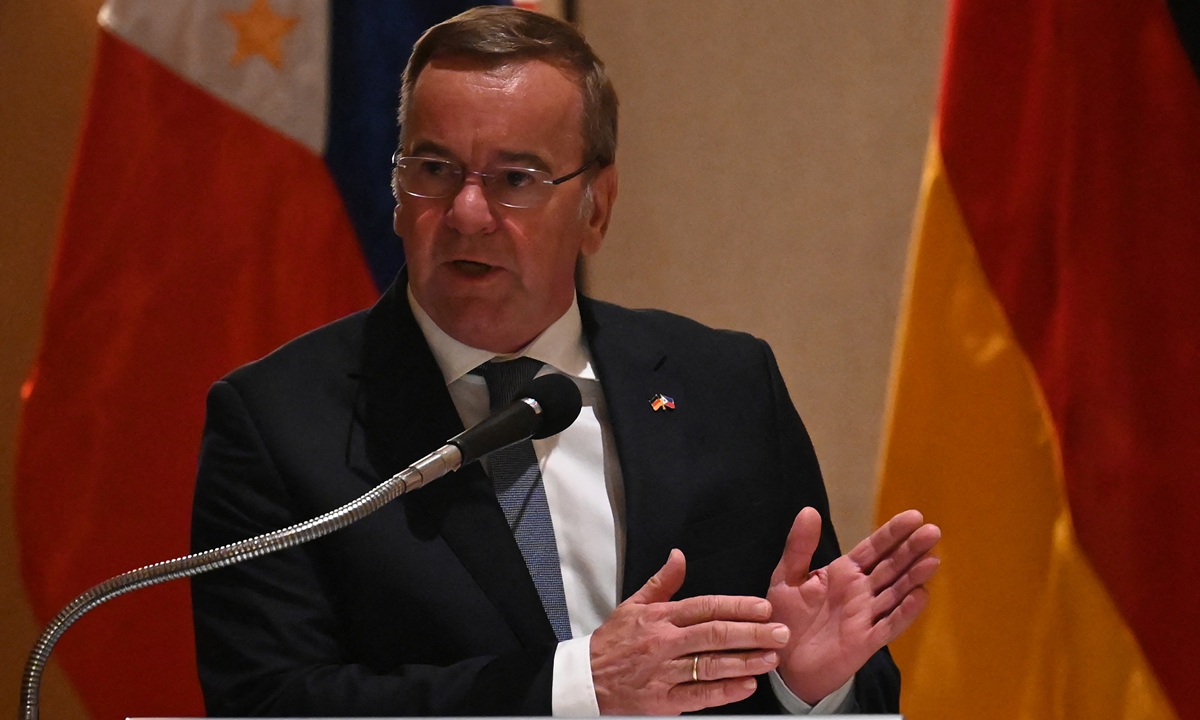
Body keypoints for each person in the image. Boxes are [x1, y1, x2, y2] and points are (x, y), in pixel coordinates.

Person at [190, 6, 940, 717]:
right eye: (436, 169)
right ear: (395, 190)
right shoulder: (276, 423)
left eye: (515, 179)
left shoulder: (727, 388)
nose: (467, 214)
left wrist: (807, 687)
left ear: (598, 206)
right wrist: (580, 686)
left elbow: (858, 688)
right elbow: (266, 705)